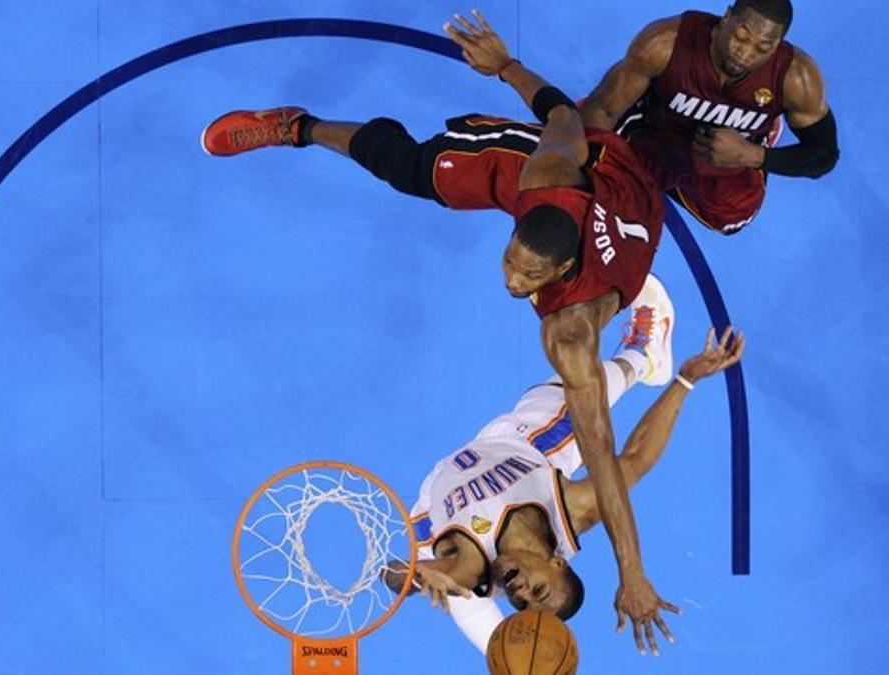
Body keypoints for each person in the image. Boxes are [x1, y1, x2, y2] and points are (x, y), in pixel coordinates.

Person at [202, 9, 674, 649]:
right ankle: (298, 126)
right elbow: (561, 118)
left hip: (623, 228)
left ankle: (642, 353)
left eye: (528, 276)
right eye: (513, 260)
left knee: (582, 396)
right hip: (611, 193)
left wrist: (632, 573)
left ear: (560, 270)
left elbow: (610, 463)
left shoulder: (567, 331)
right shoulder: (545, 176)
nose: (511, 281)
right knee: (422, 165)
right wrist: (504, 64)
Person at [389, 303, 745, 657]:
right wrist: (686, 379)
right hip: (519, 445)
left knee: (464, 602)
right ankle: (642, 355)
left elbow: (391, 574)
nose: (521, 593)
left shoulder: (470, 569)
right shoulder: (572, 511)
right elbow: (636, 460)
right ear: (557, 563)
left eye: (521, 604)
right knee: (580, 393)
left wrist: (415, 577)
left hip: (431, 513)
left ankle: (502, 654)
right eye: (538, 591)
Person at [581, 0, 838, 235]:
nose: (745, 54)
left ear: (779, 45)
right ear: (726, 17)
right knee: (583, 165)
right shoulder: (664, 43)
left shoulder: (796, 77)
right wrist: (589, 169)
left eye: (763, 48)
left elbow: (824, 155)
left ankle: (763, 129)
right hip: (656, 134)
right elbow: (603, 109)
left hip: (727, 156)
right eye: (740, 37)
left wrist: (751, 155)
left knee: (731, 219)